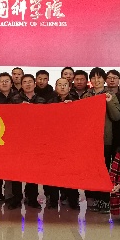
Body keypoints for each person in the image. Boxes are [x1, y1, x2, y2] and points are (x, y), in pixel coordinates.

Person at [82, 67, 120, 213]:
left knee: (104, 170)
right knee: (90, 170)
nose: (96, 80)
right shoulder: (86, 96)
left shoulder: (110, 95)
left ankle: (104, 200)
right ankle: (92, 198)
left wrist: (109, 102)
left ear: (104, 79)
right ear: (90, 80)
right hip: (89, 141)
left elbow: (116, 116)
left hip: (105, 139)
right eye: (93, 77)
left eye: (99, 77)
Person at [9, 74, 46, 209]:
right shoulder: (15, 100)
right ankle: (16, 197)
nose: (28, 84)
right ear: (21, 84)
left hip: (35, 140)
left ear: (35, 84)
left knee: (33, 170)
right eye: (25, 82)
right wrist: (19, 109)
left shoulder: (42, 100)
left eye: (30, 82)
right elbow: (9, 118)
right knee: (16, 170)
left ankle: (32, 198)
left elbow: (47, 119)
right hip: (18, 140)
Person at [0, 72, 21, 206]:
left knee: (10, 166)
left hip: (13, 138)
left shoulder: (17, 97)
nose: (5, 83)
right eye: (2, 81)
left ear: (11, 83)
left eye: (7, 81)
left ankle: (9, 195)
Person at [45, 77, 79, 209]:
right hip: (53, 143)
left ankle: (73, 200)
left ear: (69, 87)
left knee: (70, 172)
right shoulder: (50, 102)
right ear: (55, 87)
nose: (63, 87)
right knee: (53, 172)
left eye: (65, 84)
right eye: (60, 84)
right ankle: (53, 200)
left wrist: (73, 107)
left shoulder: (76, 101)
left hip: (70, 143)